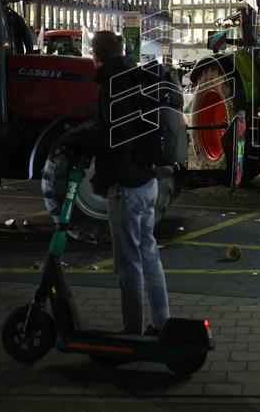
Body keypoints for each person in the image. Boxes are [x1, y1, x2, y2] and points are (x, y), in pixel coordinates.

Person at [78, 30, 170, 335]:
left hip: (126, 186)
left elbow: (115, 137)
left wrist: (80, 139)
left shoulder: (111, 84)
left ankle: (132, 331)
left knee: (128, 263)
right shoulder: (135, 75)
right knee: (149, 254)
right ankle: (161, 322)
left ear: (97, 55)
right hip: (147, 180)